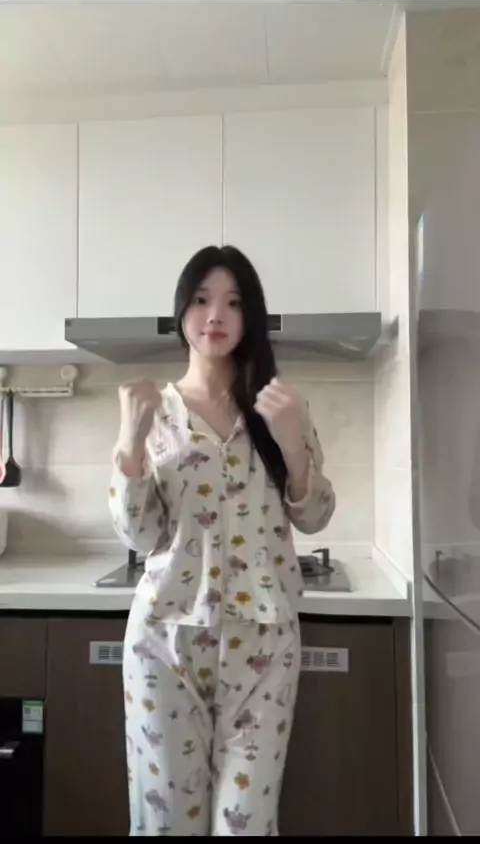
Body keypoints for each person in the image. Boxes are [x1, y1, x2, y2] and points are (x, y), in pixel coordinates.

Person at [108, 245, 336, 837]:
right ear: (181, 311)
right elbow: (139, 534)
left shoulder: (281, 406)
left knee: (247, 825)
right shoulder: (155, 412)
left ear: (250, 315)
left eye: (233, 303)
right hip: (164, 643)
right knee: (165, 823)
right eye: (202, 299)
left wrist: (293, 448)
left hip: (264, 645)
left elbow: (316, 516)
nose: (215, 315)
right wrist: (129, 445)